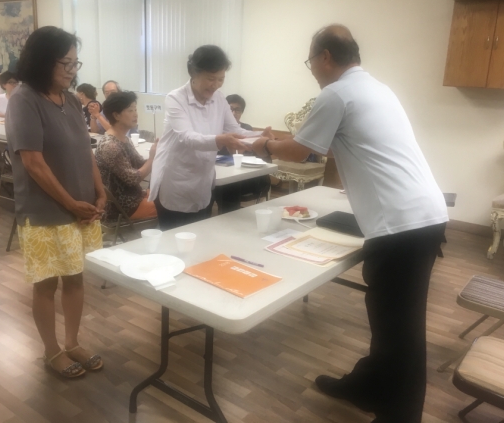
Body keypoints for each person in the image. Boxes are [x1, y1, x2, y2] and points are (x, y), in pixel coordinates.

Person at [252, 25, 448, 423]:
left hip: (401, 225)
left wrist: (265, 144)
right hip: (418, 217)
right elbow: (336, 147)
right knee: (388, 319)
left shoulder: (337, 92)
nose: (311, 70)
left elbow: (300, 151)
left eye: (310, 61)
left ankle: (400, 416)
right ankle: (365, 386)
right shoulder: (377, 88)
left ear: (325, 57)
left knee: (401, 331)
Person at [5, 26, 106, 379]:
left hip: (80, 208)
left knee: (75, 278)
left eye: (75, 63)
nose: (72, 70)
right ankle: (51, 351)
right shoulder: (24, 100)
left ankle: (73, 342)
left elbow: (85, 151)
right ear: (42, 61)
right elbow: (33, 162)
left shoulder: (72, 100)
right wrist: (71, 203)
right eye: (65, 63)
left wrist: (99, 192)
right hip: (45, 212)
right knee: (46, 284)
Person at [148, 45, 274, 230]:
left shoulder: (219, 99)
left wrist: (259, 136)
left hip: (202, 180)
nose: (215, 85)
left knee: (200, 233)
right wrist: (221, 140)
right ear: (193, 73)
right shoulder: (176, 98)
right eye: (210, 78)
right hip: (175, 178)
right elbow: (188, 137)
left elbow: (234, 129)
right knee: (173, 236)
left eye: (220, 79)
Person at [95, 91, 158, 222]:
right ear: (116, 115)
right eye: (130, 110)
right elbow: (134, 179)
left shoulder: (123, 139)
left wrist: (158, 153)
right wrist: (152, 158)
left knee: (168, 195)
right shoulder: (110, 146)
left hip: (134, 197)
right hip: (123, 207)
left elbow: (140, 163)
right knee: (170, 205)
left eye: (135, 109)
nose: (136, 114)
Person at [213, 94, 271, 214]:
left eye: (237, 110)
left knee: (228, 186)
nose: (233, 113)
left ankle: (227, 216)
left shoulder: (246, 129)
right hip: (220, 174)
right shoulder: (216, 130)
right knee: (208, 183)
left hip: (246, 177)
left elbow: (247, 156)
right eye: (230, 109)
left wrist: (236, 151)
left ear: (242, 113)